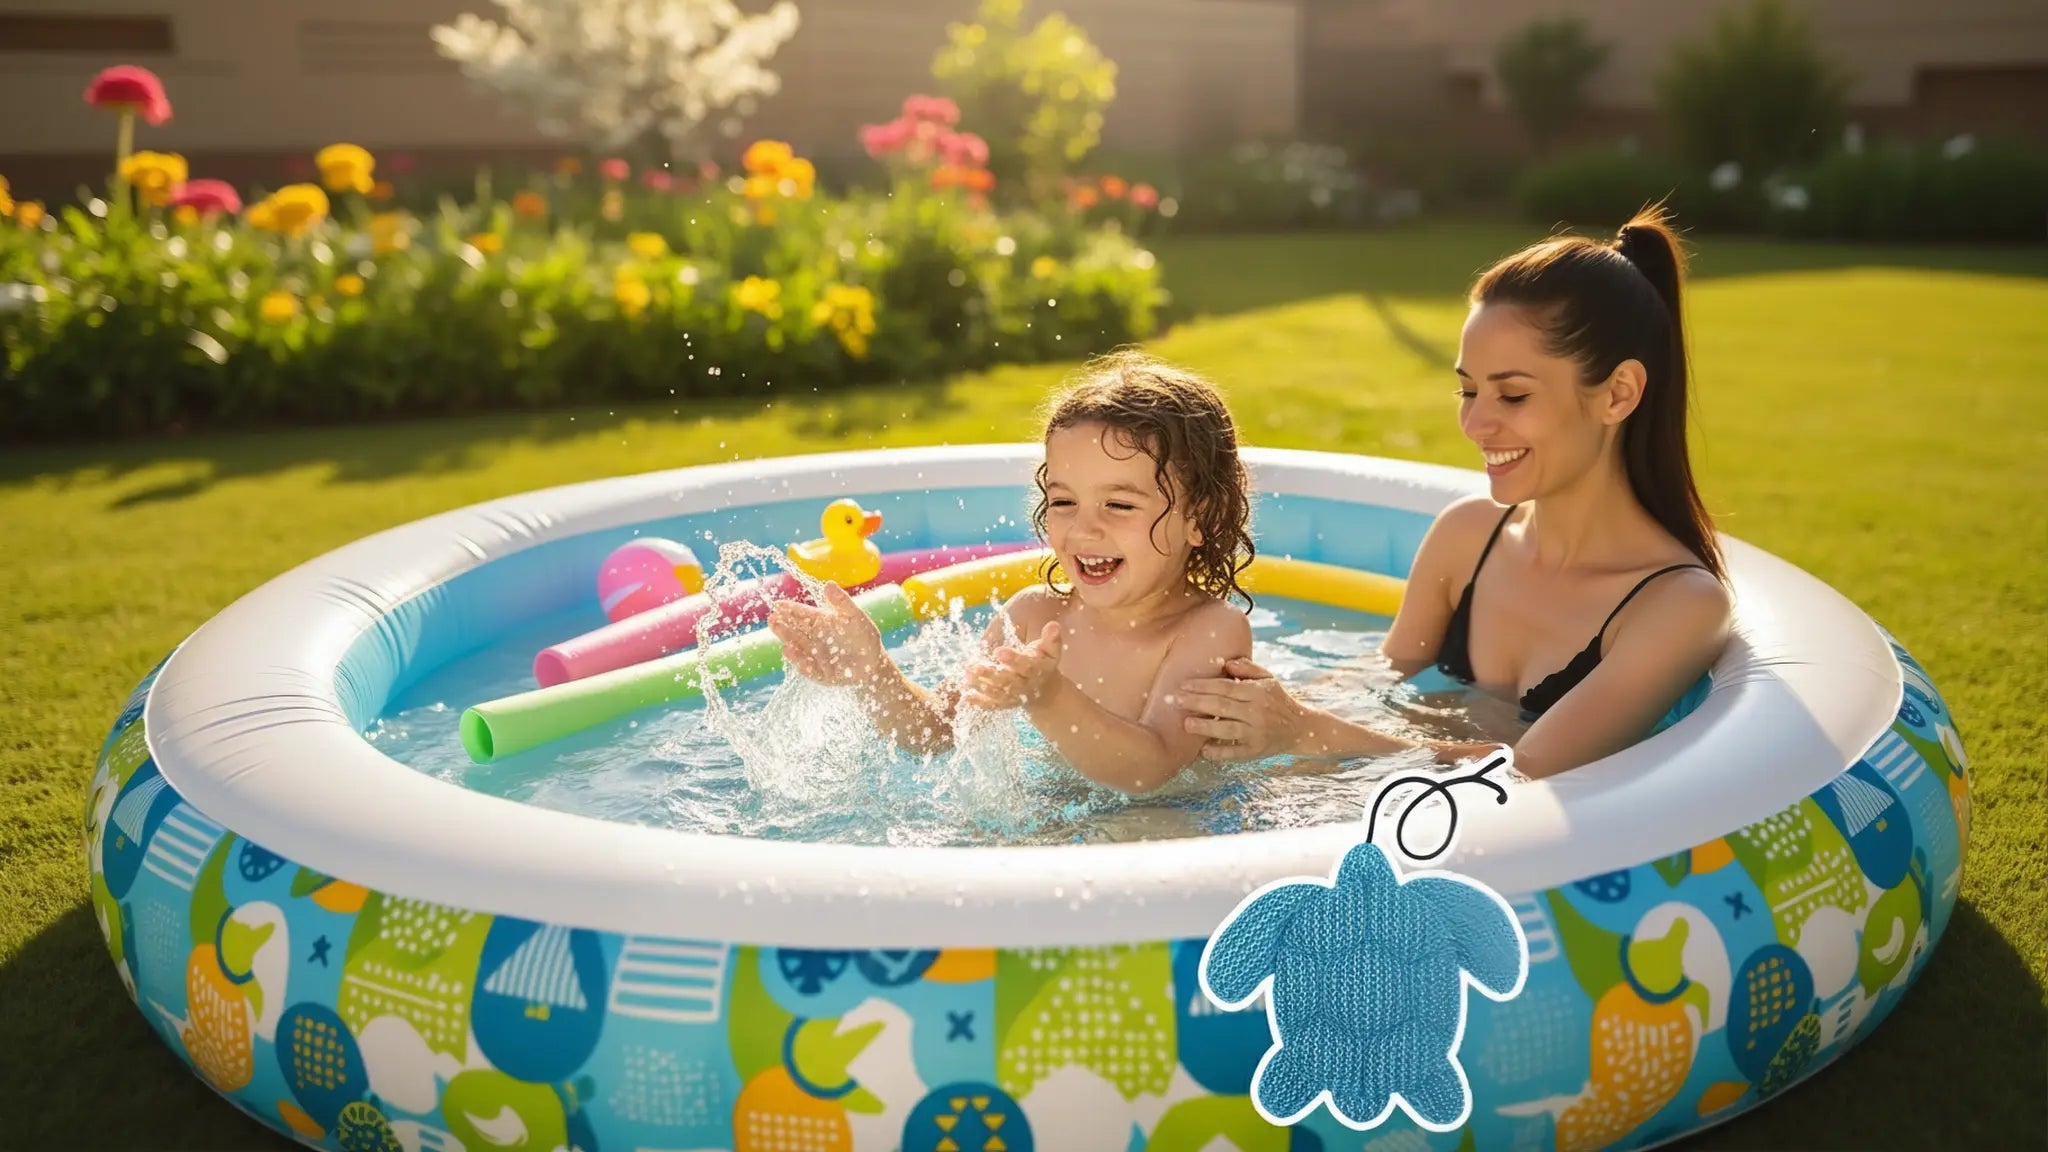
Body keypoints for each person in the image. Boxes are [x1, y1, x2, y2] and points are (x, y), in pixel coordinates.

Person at [1175, 204, 1733, 780]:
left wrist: (1304, 729)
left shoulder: (1675, 607)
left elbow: (1527, 773)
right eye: (1468, 392)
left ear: (1618, 394)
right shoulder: (1467, 536)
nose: (1476, 425)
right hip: (1389, 802)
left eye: (1512, 396)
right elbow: (1377, 678)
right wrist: (1260, 714)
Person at [768, 349, 1257, 795]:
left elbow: (1150, 768)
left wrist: (1048, 696)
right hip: (1067, 810)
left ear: (1201, 518)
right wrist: (874, 672)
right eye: (1064, 501)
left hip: (1173, 821)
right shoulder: (1032, 617)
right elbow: (941, 729)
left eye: (1119, 504)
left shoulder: (1208, 630)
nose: (1084, 528)